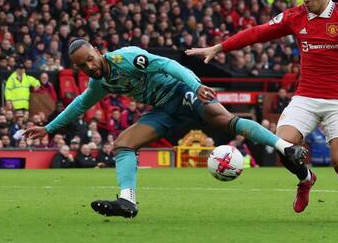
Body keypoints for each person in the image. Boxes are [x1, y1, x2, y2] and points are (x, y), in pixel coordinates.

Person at [24, 38, 307, 219]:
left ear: (98, 51)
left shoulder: (127, 58)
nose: (89, 66)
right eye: (82, 65)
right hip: (164, 111)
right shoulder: (100, 83)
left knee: (224, 120)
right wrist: (49, 128)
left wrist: (196, 86)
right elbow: (80, 104)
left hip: (182, 92)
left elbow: (171, 66)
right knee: (123, 142)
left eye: (90, 58)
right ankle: (127, 201)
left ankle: (286, 148)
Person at [186, 0, 338, 223]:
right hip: (306, 97)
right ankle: (305, 178)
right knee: (282, 145)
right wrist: (220, 47)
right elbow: (258, 33)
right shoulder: (295, 16)